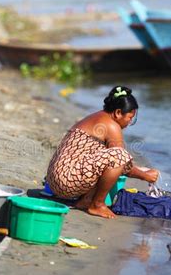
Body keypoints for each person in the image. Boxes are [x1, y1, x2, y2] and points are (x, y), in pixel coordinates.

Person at [46, 86, 159, 219]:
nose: (130, 123)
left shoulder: (98, 117)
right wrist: (145, 176)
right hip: (66, 181)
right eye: (130, 118)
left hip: (56, 180)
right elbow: (123, 163)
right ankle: (97, 204)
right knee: (119, 155)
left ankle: (86, 200)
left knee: (112, 155)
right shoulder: (111, 125)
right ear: (118, 112)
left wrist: (140, 171)